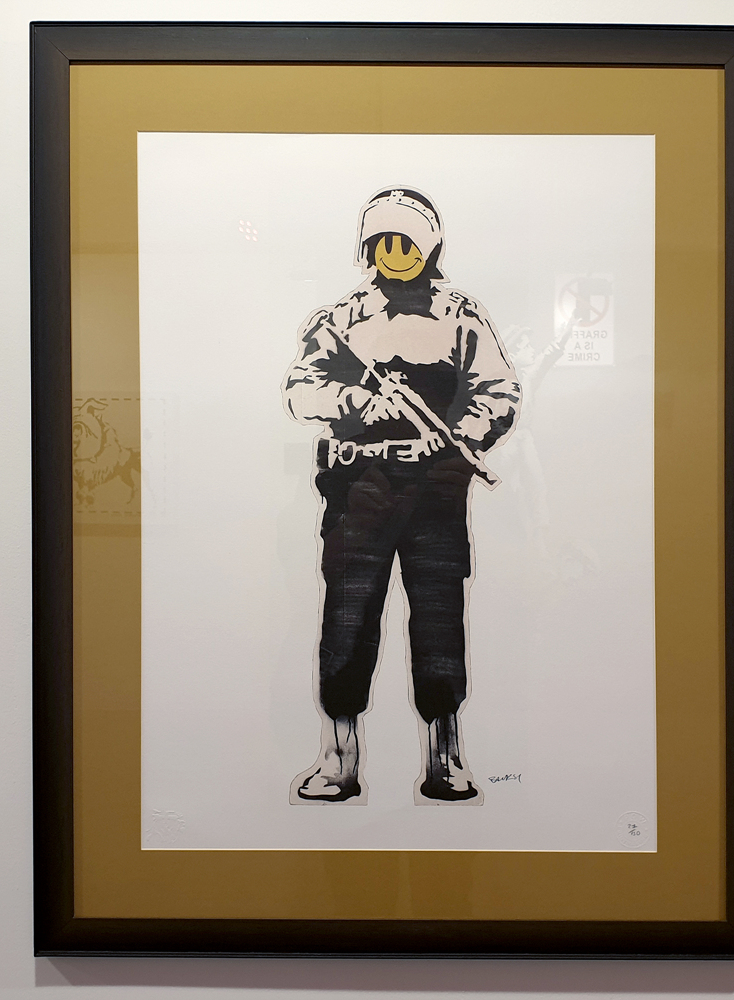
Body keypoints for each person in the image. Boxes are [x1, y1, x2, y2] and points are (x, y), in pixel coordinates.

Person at [282, 187, 521, 804]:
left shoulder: (461, 316)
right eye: (382, 242)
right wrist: (365, 406)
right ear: (368, 249)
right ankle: (338, 756)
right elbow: (303, 390)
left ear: (429, 245)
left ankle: (445, 756)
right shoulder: (340, 321)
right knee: (348, 618)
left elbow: (498, 392)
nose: (395, 253)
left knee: (439, 620)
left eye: (407, 241)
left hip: (435, 493)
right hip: (358, 491)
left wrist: (460, 435)